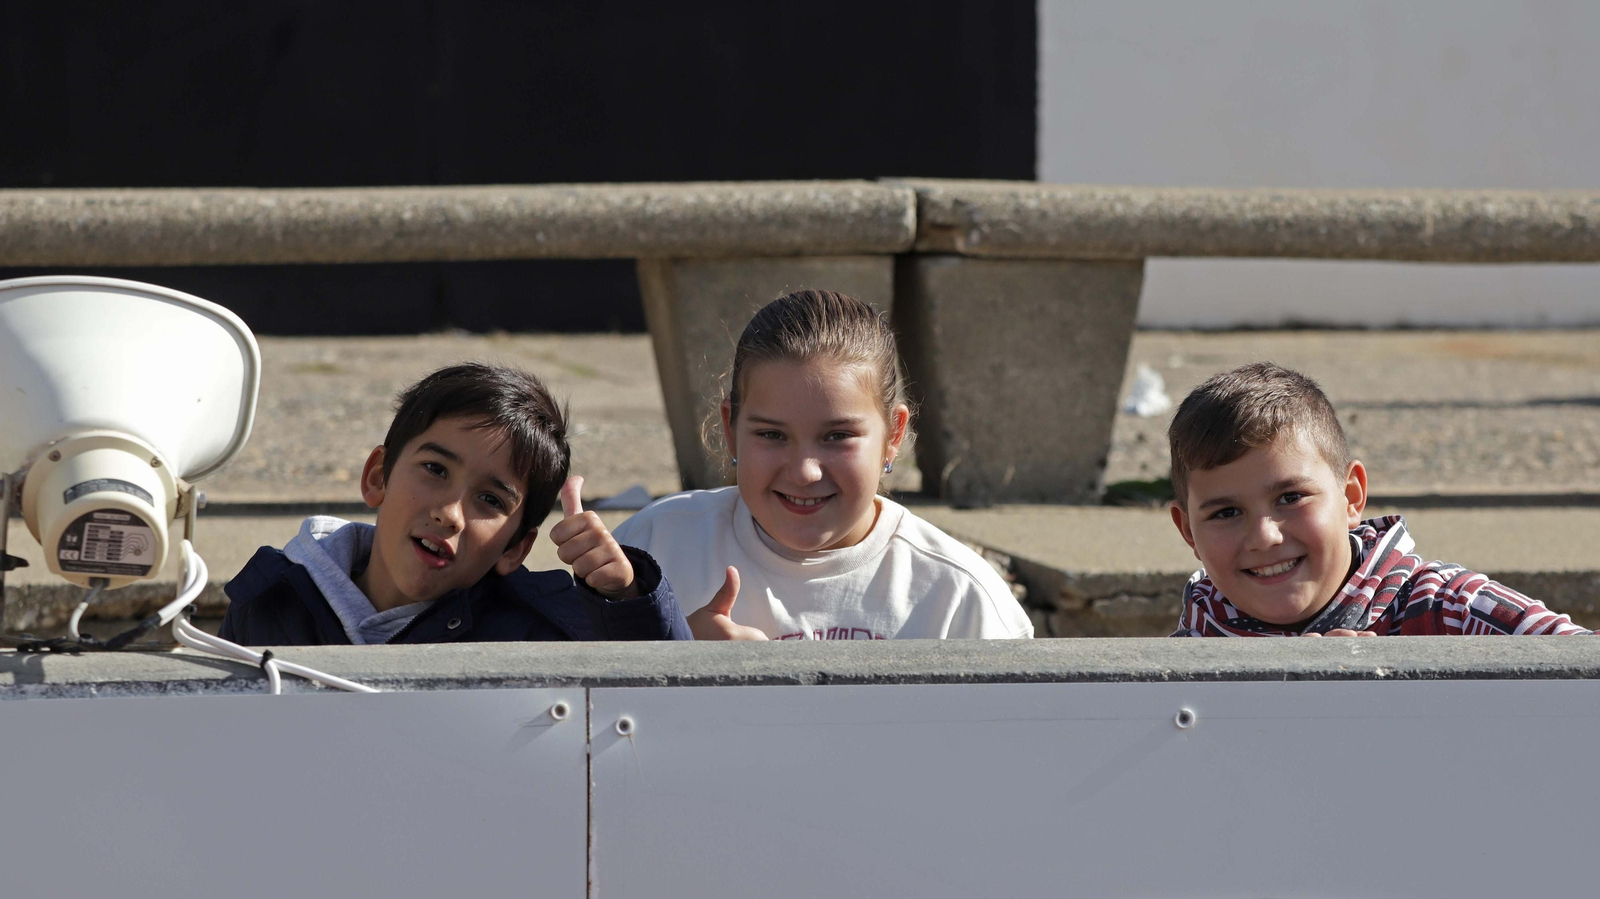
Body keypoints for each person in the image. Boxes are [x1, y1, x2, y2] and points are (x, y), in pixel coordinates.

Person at [613, 289, 1033, 640]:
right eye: (772, 435)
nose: (804, 472)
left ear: (894, 434)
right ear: (730, 427)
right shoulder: (653, 550)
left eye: (837, 437)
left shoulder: (959, 597)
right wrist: (671, 654)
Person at [221, 363, 689, 644]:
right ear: (378, 476)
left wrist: (624, 599)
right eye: (435, 470)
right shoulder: (268, 602)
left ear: (514, 550)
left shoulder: (539, 630)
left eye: (489, 499)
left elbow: (663, 707)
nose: (450, 513)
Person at [1167, 362, 1589, 637]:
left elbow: (1582, 668)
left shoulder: (1450, 611)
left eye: (1290, 497)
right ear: (1188, 531)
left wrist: (1390, 689)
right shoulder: (1183, 658)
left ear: (1351, 497)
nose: (1263, 536)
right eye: (1226, 512)